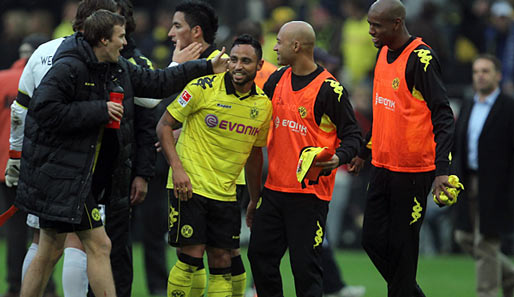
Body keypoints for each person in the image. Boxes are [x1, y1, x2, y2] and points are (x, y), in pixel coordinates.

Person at [15, 9, 228, 297]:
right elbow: (44, 111)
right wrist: (98, 110)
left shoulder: (116, 67)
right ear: (103, 39)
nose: (125, 42)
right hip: (58, 177)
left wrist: (204, 66)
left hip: (77, 178)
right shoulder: (69, 67)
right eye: (120, 36)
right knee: (79, 246)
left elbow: (156, 83)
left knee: (60, 249)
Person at [6, 2, 119, 297]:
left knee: (42, 243)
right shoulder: (89, 57)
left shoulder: (43, 52)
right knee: (82, 243)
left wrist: (16, 158)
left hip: (40, 163)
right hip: (75, 165)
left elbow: (21, 110)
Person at [348, 0, 455, 296]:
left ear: (396, 23)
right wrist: (365, 151)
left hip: (412, 172)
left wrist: (442, 171)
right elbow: (385, 114)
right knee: (370, 239)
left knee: (403, 250)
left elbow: (443, 116)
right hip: (382, 167)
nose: (370, 31)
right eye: (369, 24)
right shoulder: (382, 52)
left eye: (376, 25)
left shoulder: (420, 59)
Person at [247, 21, 362, 297]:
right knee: (260, 257)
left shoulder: (329, 89)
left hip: (309, 196)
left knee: (305, 269)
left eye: (279, 41)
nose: (274, 47)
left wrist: (339, 159)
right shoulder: (276, 80)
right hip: (274, 190)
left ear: (296, 46)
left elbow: (353, 135)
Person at [157, 34, 272, 297]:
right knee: (191, 257)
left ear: (259, 65)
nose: (238, 66)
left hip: (227, 192)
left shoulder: (263, 106)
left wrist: (255, 199)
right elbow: (164, 125)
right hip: (190, 186)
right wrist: (177, 168)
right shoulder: (203, 86)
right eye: (233, 59)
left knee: (222, 260)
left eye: (246, 60)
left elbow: (255, 156)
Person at [453, 54, 514, 297]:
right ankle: (510, 276)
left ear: (498, 75)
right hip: (468, 181)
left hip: (497, 185)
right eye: (477, 70)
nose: (480, 75)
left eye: (486, 71)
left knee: (485, 242)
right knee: (463, 236)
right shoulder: (468, 104)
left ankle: (486, 293)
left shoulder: (509, 108)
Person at [0, 34, 49, 297]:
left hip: (4, 167)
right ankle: (46, 287)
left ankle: (13, 286)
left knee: (14, 231)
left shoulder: (1, 80)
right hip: (37, 165)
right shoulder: (46, 81)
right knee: (43, 233)